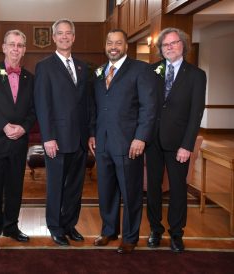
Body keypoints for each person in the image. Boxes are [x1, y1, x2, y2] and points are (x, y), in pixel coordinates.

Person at [88, 29, 156, 254]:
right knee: (106, 190)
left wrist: (140, 137)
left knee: (130, 191)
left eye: (118, 43)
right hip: (103, 143)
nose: (113, 46)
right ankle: (109, 231)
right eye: (110, 43)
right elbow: (95, 107)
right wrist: (92, 133)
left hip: (129, 144)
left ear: (126, 46)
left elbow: (149, 108)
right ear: (105, 46)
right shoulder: (99, 72)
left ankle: (130, 236)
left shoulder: (141, 70)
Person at [146, 28, 206, 253]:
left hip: (178, 144)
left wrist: (187, 145)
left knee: (178, 189)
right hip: (152, 142)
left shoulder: (196, 75)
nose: (169, 47)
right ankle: (155, 230)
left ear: (184, 45)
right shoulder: (152, 71)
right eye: (165, 45)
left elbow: (196, 112)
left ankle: (176, 233)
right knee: (152, 188)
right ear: (160, 49)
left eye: (174, 43)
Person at [0, 29, 36, 256]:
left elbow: (34, 110)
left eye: (20, 45)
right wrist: (4, 126)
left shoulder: (30, 78)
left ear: (24, 50)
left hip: (19, 143)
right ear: (3, 47)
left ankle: (11, 226)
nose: (15, 49)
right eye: (11, 44)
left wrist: (23, 127)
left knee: (15, 188)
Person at [34, 18, 89, 246]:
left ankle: (69, 224)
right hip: (56, 139)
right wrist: (48, 137)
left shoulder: (83, 67)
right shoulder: (44, 66)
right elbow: (42, 104)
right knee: (56, 186)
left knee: (75, 187)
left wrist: (91, 134)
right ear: (54, 38)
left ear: (74, 37)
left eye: (69, 33)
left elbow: (87, 103)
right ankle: (55, 227)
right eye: (60, 33)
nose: (65, 37)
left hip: (80, 139)